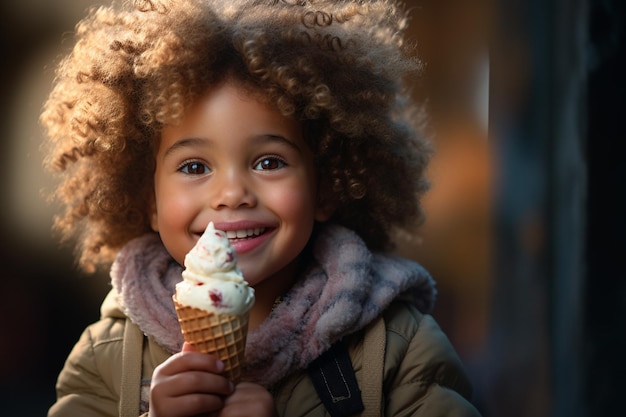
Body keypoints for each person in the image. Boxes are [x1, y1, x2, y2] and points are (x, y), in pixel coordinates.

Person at [41, 0, 482, 416]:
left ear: (325, 188)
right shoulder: (106, 356)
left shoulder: (399, 347)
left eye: (269, 162)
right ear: (149, 202)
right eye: (194, 166)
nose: (232, 193)